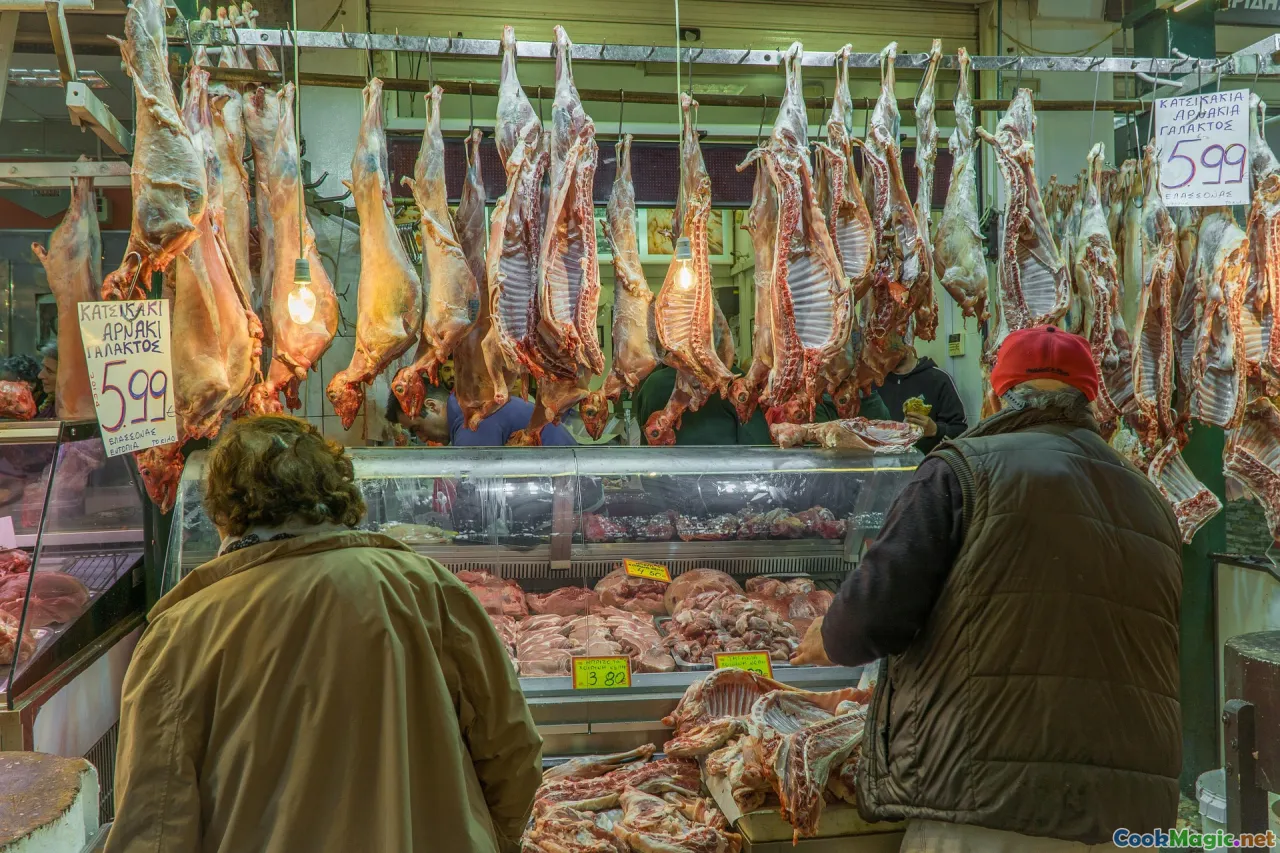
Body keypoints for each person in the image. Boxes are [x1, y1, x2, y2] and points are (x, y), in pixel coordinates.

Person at [794, 326, 1182, 852]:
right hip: (1123, 819)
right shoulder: (1152, 502)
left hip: (983, 809)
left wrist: (827, 633)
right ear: (1091, 401)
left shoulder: (961, 470)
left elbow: (871, 617)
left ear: (996, 395)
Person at [107, 415, 543, 853]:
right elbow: (512, 751)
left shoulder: (180, 633)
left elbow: (153, 824)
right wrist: (490, 837)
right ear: (336, 493)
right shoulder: (426, 588)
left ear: (223, 512)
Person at [387, 384, 576, 447]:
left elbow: (475, 492)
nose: (422, 437)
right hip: (567, 487)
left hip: (572, 495)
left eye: (417, 428)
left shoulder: (470, 419)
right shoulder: (467, 405)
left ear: (432, 406)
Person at [875, 336, 967, 454]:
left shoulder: (939, 379)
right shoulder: (874, 382)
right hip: (881, 466)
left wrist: (935, 430)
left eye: (890, 347)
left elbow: (961, 430)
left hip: (927, 466)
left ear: (908, 346)